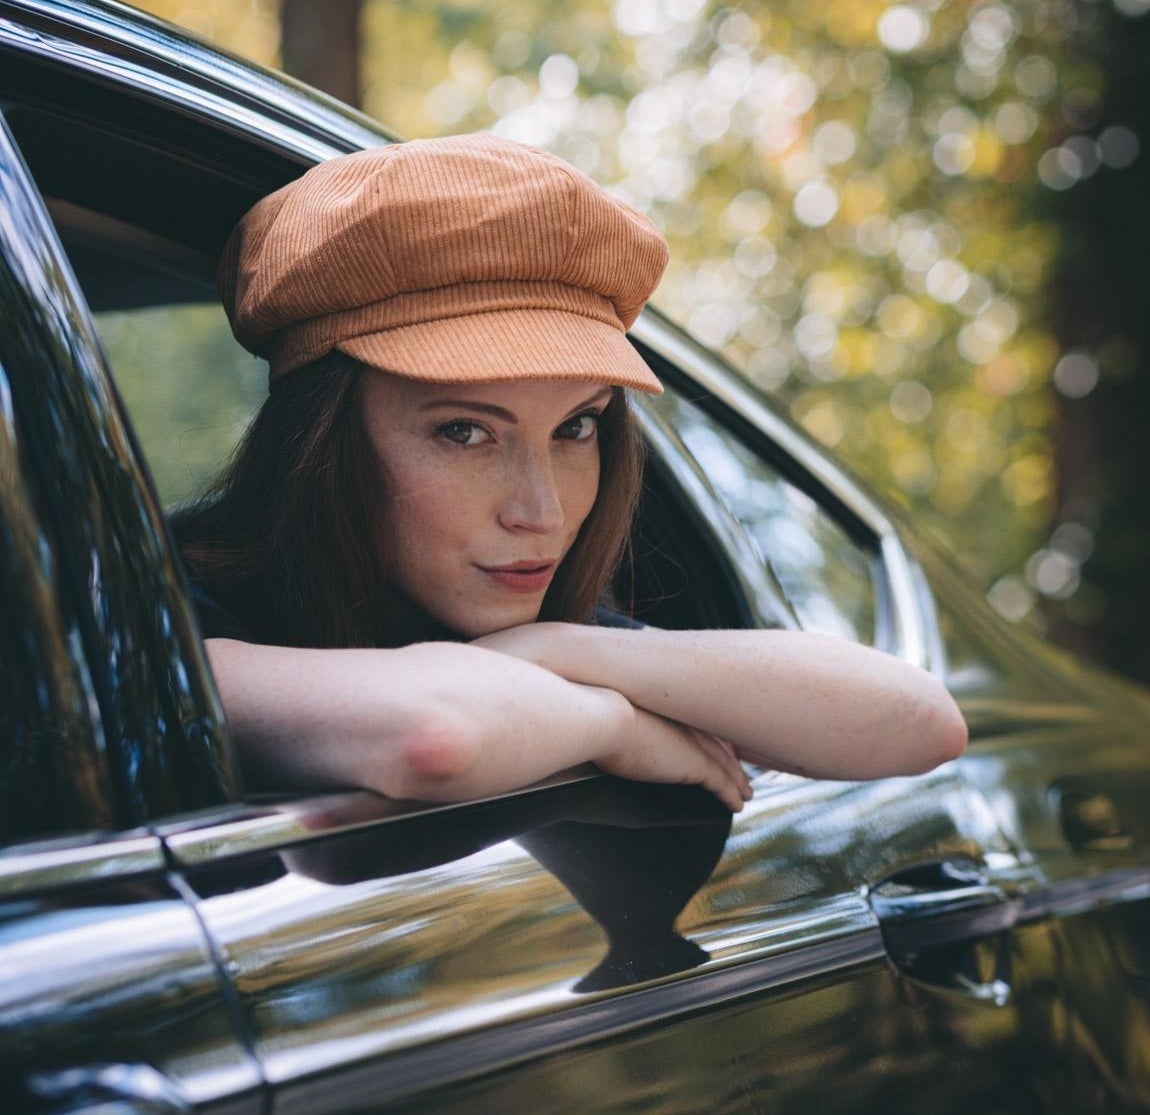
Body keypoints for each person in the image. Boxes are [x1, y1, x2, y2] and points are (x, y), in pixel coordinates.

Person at [175, 134, 967, 813]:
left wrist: (563, 649)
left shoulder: (550, 627)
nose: (541, 510)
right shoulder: (163, 616)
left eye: (575, 426)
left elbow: (923, 719)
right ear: (319, 442)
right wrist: (617, 724)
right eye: (464, 431)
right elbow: (437, 736)